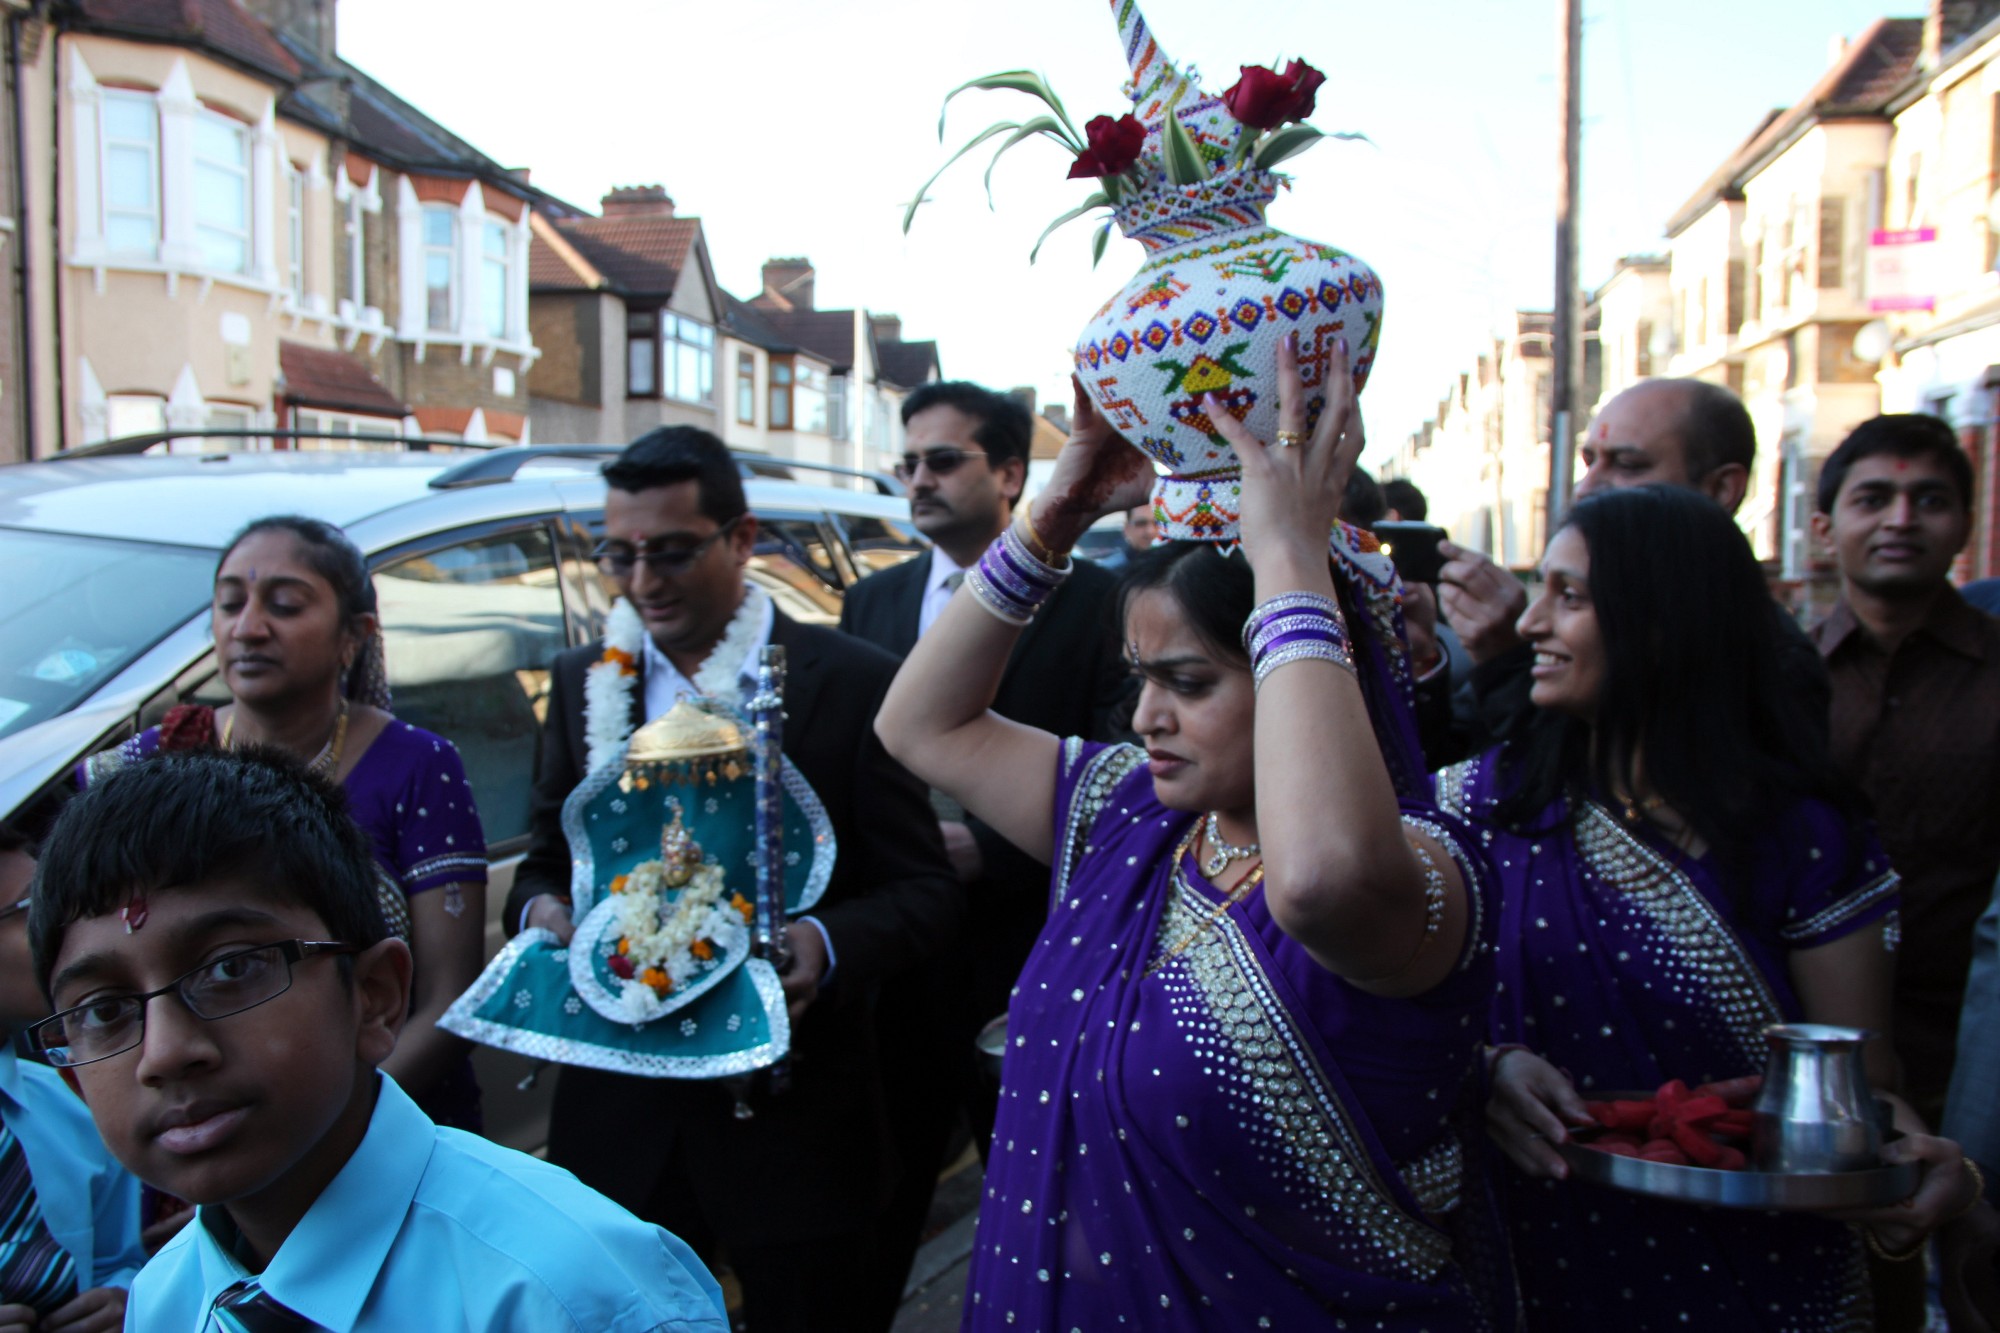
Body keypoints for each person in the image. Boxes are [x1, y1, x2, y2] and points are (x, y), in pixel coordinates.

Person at [876, 335, 1509, 1330]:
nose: (1143, 718)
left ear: (1306, 668)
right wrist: (1057, 510)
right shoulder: (1134, 816)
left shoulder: (1417, 867)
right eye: (1140, 680)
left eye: (1188, 683)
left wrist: (1290, 556)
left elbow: (1318, 883)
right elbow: (918, 723)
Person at [1452, 485, 1982, 1330]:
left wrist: (1922, 1170)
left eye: (1571, 596)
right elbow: (1386, 1022)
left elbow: (1864, 1087)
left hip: (1765, 1273)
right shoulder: (1474, 810)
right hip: (1530, 1252)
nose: (1528, 625)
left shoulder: (1802, 836)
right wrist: (1485, 1065)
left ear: (1668, 621)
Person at [504, 425, 960, 1333]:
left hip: (794, 1127)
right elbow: (549, 857)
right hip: (623, 1127)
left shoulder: (853, 681)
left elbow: (925, 892)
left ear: (741, 539)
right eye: (618, 555)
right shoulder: (586, 677)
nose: (643, 581)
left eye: (671, 551)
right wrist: (545, 909)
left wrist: (822, 944)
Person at [27, 748, 728, 1331]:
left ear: (374, 996)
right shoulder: (165, 1303)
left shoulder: (572, 1296)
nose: (165, 1052)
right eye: (104, 1010)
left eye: (231, 968)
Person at [838, 381, 1129, 1320]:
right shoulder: (870, 602)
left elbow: (1134, 791)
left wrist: (994, 854)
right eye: (907, 463)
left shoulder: (1101, 605)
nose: (917, 480)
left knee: (1042, 1209)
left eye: (943, 460)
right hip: (894, 970)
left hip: (1024, 963)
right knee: (874, 1215)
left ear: (1012, 473)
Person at [81, 516, 488, 1132]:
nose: (248, 628)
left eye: (286, 605)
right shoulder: (148, 764)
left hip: (374, 1127)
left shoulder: (416, 766)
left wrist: (325, 1127)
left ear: (354, 635)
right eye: (229, 604)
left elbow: (448, 1001)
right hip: (187, 1116)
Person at [1436, 378, 1829, 748]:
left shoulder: (1771, 661)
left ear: (1721, 488)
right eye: (1589, 461)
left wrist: (1508, 664)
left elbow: (1587, 792)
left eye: (1627, 465)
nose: (1587, 487)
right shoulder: (1566, 628)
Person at [1809, 415, 2000, 1122]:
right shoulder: (1777, 683)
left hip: (1970, 1045)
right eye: (1874, 499)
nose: (1901, 519)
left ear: (1963, 525)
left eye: (1929, 499)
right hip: (1807, 1049)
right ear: (1824, 528)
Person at [0, 825, 144, 1333]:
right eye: (29, 911)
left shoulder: (75, 1113)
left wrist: (126, 1299)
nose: (60, 935)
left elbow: (120, 1258)